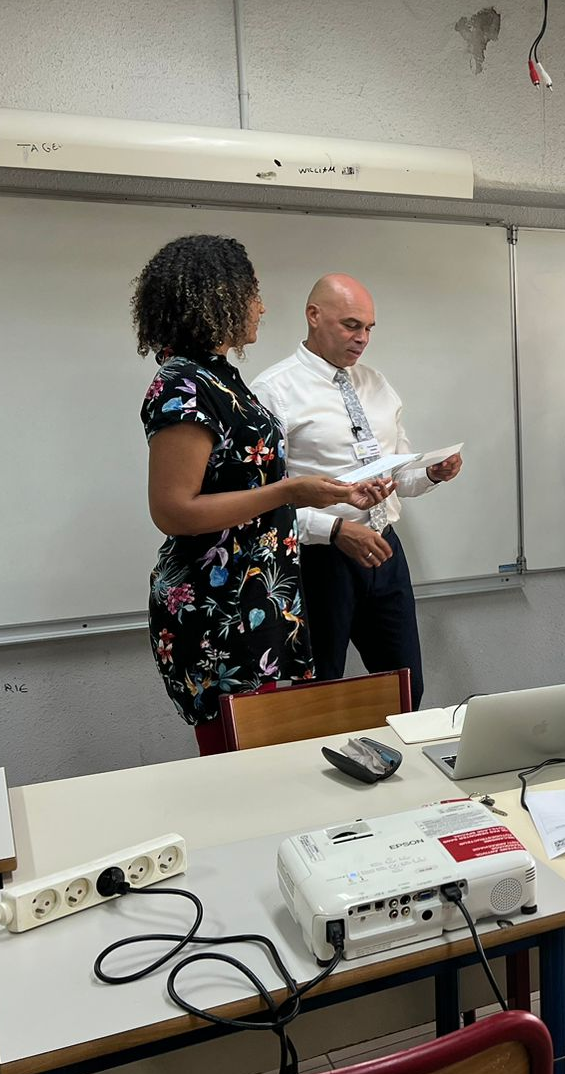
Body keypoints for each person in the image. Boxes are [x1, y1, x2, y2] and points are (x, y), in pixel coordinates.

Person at [133, 236, 385, 754]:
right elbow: (174, 510)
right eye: (253, 293)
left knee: (269, 761)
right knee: (239, 765)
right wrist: (290, 491)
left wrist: (310, 493)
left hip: (257, 597)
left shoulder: (220, 377)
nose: (262, 307)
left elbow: (244, 482)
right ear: (217, 297)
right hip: (219, 608)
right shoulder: (183, 384)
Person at [251, 274, 463, 705]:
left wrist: (431, 474)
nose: (362, 338)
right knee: (317, 693)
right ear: (314, 316)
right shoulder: (273, 391)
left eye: (368, 328)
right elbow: (262, 502)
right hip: (318, 559)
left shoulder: (376, 383)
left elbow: (398, 475)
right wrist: (332, 530)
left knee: (405, 688)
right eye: (351, 325)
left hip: (384, 549)